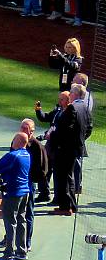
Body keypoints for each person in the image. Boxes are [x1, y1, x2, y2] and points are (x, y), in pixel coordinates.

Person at [51, 83, 93, 215]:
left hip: (65, 149)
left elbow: (64, 130)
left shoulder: (72, 108)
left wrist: (52, 136)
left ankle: (66, 207)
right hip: (75, 149)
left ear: (74, 94)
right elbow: (89, 127)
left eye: (71, 92)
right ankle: (71, 206)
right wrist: (79, 140)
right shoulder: (85, 107)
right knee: (69, 177)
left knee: (64, 178)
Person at [0, 133, 31, 260]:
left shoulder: (13, 155)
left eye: (13, 139)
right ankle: (21, 251)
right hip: (25, 192)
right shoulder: (27, 155)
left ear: (17, 141)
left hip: (13, 194)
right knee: (21, 220)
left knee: (10, 223)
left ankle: (8, 255)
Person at [36, 91, 71, 203]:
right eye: (59, 99)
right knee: (43, 169)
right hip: (50, 145)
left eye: (62, 99)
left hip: (58, 147)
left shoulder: (69, 113)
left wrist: (49, 134)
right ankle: (44, 193)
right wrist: (38, 110)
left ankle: (57, 197)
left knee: (57, 173)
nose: (59, 101)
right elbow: (44, 117)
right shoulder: (57, 111)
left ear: (68, 101)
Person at [20, 119, 47, 251]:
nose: (23, 131)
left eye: (25, 128)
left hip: (29, 185)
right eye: (22, 128)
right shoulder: (18, 141)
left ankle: (27, 241)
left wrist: (31, 178)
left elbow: (43, 169)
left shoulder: (37, 146)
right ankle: (9, 237)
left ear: (32, 131)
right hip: (17, 184)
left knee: (28, 213)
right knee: (13, 214)